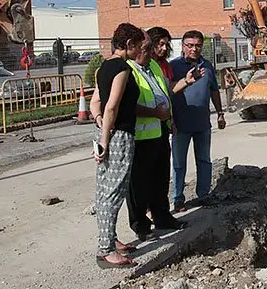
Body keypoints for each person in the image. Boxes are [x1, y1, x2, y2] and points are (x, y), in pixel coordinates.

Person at [125, 29, 201, 238]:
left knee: (160, 179)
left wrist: (186, 81)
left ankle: (162, 217)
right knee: (139, 185)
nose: (153, 52)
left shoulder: (155, 67)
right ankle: (141, 226)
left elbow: (166, 91)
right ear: (135, 48)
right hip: (139, 137)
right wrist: (154, 113)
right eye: (148, 48)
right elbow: (126, 106)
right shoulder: (128, 70)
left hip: (159, 132)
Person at [88, 22, 145, 268]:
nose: (140, 51)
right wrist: (106, 140)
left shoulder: (103, 67)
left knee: (104, 190)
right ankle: (105, 250)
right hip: (119, 136)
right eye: (139, 46)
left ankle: (110, 238)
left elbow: (95, 104)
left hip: (107, 132)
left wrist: (101, 126)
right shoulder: (122, 68)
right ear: (129, 45)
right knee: (113, 193)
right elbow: (111, 105)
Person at [170, 30, 226, 212]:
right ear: (183, 46)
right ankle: (178, 198)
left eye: (198, 45)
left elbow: (214, 91)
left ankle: (203, 194)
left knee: (204, 160)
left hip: (202, 124)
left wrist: (220, 113)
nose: (194, 49)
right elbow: (168, 93)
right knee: (179, 164)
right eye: (190, 45)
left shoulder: (207, 66)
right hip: (181, 125)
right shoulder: (174, 67)